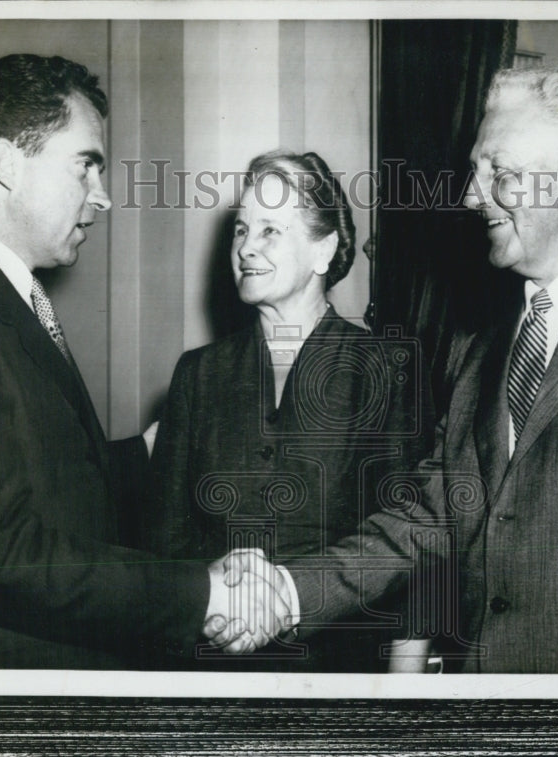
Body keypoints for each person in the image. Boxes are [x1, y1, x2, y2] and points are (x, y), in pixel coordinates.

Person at [212, 66, 558, 674]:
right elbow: (428, 516)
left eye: (499, 174)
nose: (470, 196)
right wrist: (291, 593)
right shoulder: (480, 348)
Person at [0, 53, 282, 669]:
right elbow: (4, 556)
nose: (104, 196)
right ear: (6, 165)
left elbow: (39, 476)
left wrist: (152, 449)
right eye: (86, 166)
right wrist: (202, 592)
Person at [145, 151, 430, 671]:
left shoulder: (386, 369)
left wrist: (401, 692)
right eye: (239, 229)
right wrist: (208, 607)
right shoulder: (197, 373)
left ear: (323, 250)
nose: (246, 248)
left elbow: (412, 539)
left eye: (270, 231)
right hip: (213, 663)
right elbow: (163, 541)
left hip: (339, 673)